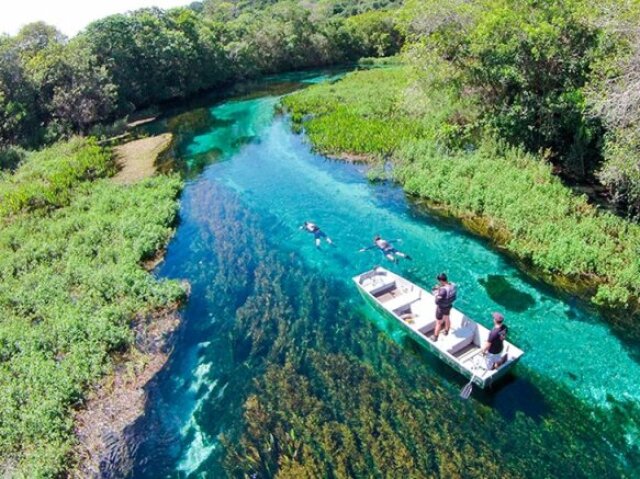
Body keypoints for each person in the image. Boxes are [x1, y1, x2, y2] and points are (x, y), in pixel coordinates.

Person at [430, 273, 457, 341]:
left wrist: (436, 292)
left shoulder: (443, 290)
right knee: (447, 317)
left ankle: (435, 337)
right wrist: (440, 288)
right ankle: (446, 331)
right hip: (449, 305)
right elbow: (449, 292)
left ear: (441, 281)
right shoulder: (453, 285)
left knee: (438, 322)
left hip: (441, 308)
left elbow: (437, 301)